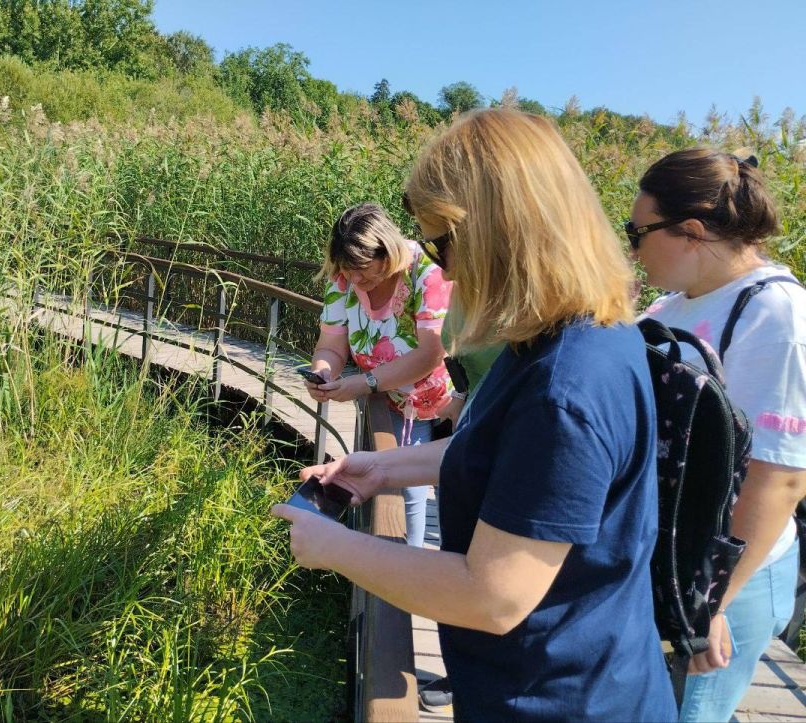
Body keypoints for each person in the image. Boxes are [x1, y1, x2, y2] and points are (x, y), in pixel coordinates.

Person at [275, 109, 677, 721]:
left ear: (498, 231)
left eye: (443, 242)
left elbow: (493, 595)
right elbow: (509, 460)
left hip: (563, 698)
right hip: (580, 674)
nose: (446, 268)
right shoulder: (574, 333)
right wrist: (382, 470)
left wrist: (333, 548)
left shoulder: (564, 387)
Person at [631, 148, 806, 722]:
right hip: (670, 563)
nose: (632, 246)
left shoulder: (776, 316)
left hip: (728, 578)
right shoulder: (672, 304)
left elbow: (779, 481)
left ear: (691, 232)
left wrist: (708, 603)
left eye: (638, 232)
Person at [304, 202, 453, 547]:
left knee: (456, 495)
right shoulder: (342, 279)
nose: (356, 280)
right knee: (405, 494)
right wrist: (323, 373)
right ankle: (409, 580)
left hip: (451, 400)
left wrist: (364, 382)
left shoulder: (426, 271)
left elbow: (432, 350)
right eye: (348, 271)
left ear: (389, 252)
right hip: (398, 402)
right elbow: (331, 345)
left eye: (366, 272)